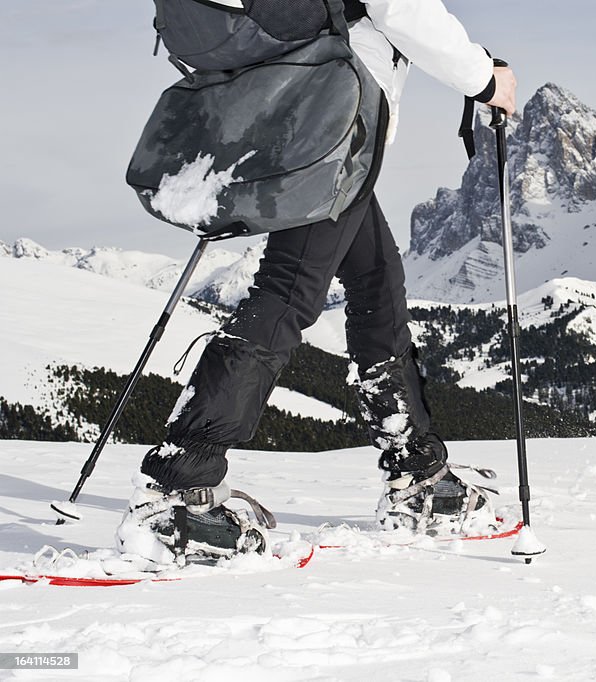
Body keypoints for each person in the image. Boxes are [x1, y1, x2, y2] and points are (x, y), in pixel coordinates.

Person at [116, 0, 518, 564]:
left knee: (376, 279)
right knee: (289, 288)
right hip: (336, 109)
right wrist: (482, 77)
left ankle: (417, 469)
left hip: (308, 102)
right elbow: (402, 8)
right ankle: (183, 487)